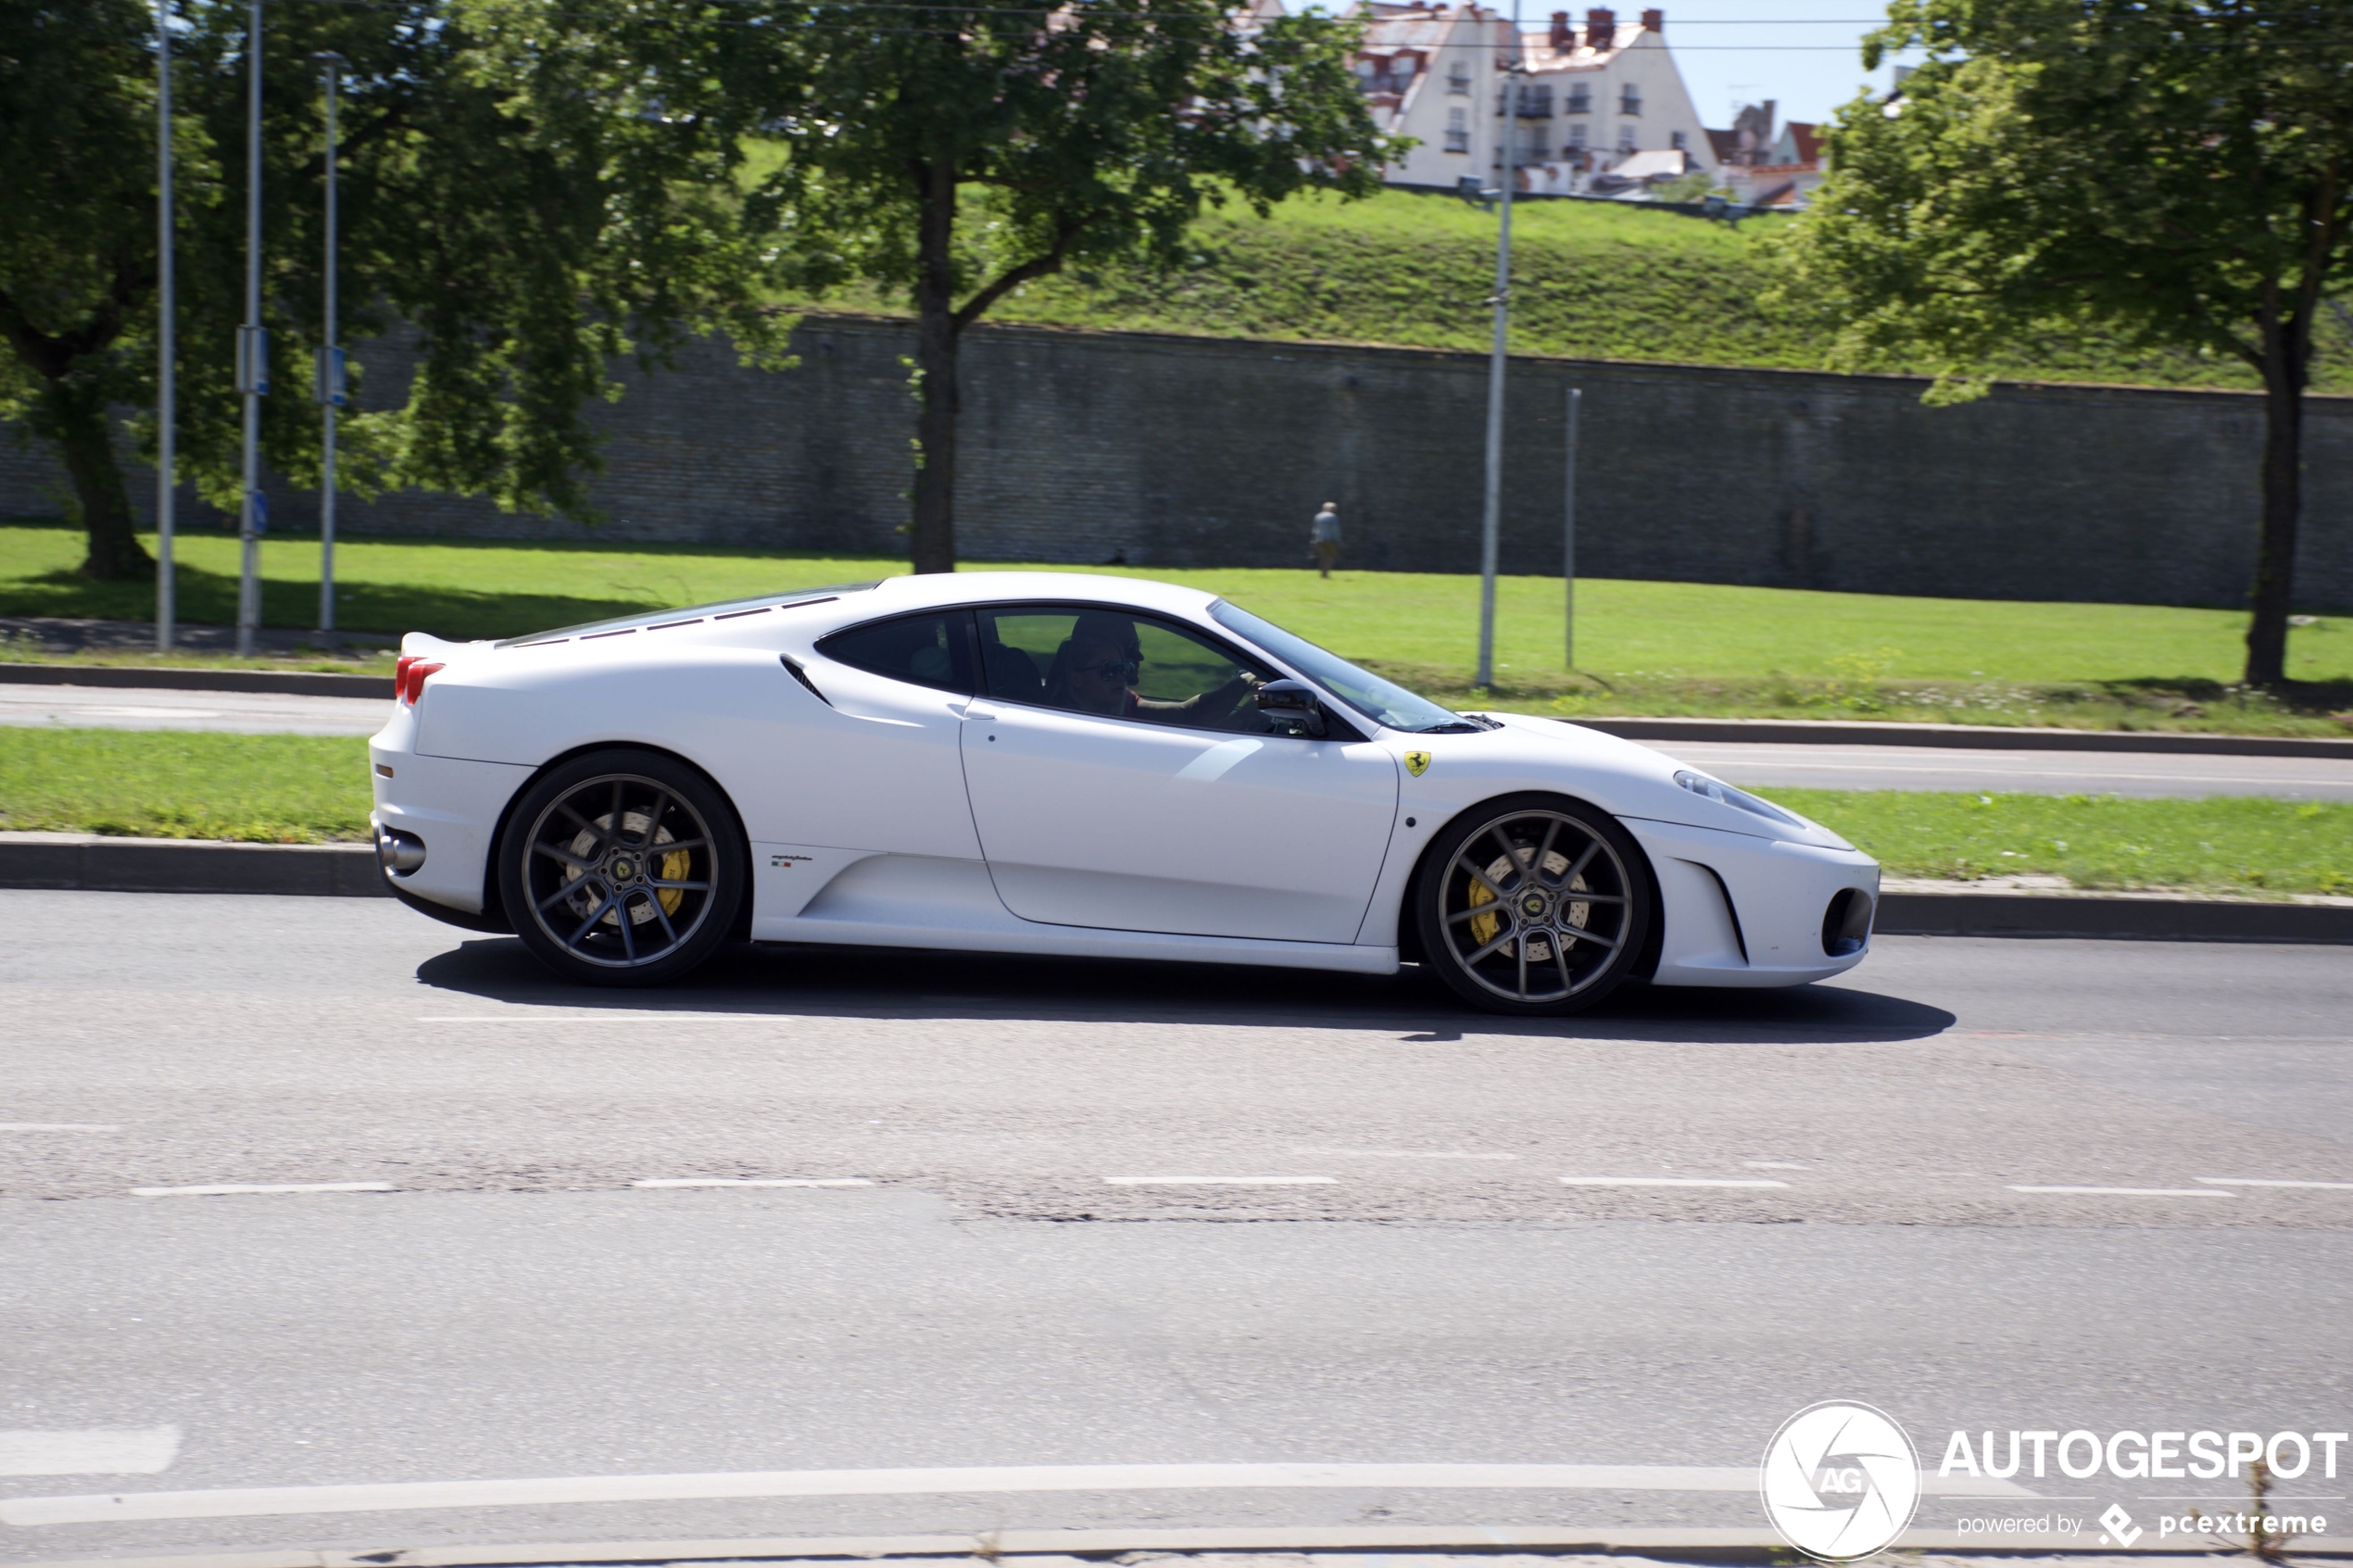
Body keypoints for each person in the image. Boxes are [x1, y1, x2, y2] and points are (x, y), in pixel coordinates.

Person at [1047, 613, 1259, 725]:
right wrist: (1247, 718)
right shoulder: (1070, 720)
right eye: (1110, 668)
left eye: (1135, 647)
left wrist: (1242, 683)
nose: (1139, 657)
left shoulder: (1117, 701)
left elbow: (1186, 716)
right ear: (1077, 676)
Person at [1310, 501, 1341, 578]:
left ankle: (1322, 572)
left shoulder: (1318, 516)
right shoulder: (1333, 517)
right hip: (1330, 539)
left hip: (1319, 539)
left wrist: (1313, 540)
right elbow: (1335, 530)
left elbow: (1314, 529)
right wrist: (1338, 540)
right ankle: (1325, 572)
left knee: (1323, 556)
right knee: (1331, 556)